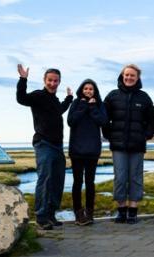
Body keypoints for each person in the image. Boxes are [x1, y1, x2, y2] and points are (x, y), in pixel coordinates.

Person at [16, 64, 73, 230]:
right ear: (44, 80)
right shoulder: (38, 96)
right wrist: (23, 79)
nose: (53, 83)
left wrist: (69, 98)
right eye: (50, 80)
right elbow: (21, 99)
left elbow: (60, 110)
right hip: (44, 144)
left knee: (57, 181)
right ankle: (41, 217)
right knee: (45, 179)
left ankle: (51, 214)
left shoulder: (55, 100)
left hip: (57, 146)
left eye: (56, 81)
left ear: (59, 82)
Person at [103, 64, 154, 224]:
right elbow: (104, 118)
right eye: (126, 75)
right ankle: (121, 210)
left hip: (137, 146)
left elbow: (153, 120)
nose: (129, 78)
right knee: (120, 178)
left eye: (132, 75)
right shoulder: (112, 96)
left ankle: (132, 211)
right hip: (118, 146)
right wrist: (108, 135)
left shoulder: (144, 97)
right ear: (122, 76)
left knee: (135, 177)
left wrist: (146, 135)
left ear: (137, 78)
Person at [67, 79, 108, 226]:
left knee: (90, 182)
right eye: (86, 89)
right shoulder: (76, 103)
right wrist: (84, 105)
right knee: (77, 182)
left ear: (94, 91)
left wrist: (92, 108)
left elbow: (103, 121)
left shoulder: (99, 105)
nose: (88, 91)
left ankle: (89, 213)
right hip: (77, 150)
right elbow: (71, 121)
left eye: (91, 89)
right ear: (81, 90)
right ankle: (78, 213)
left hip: (92, 150)